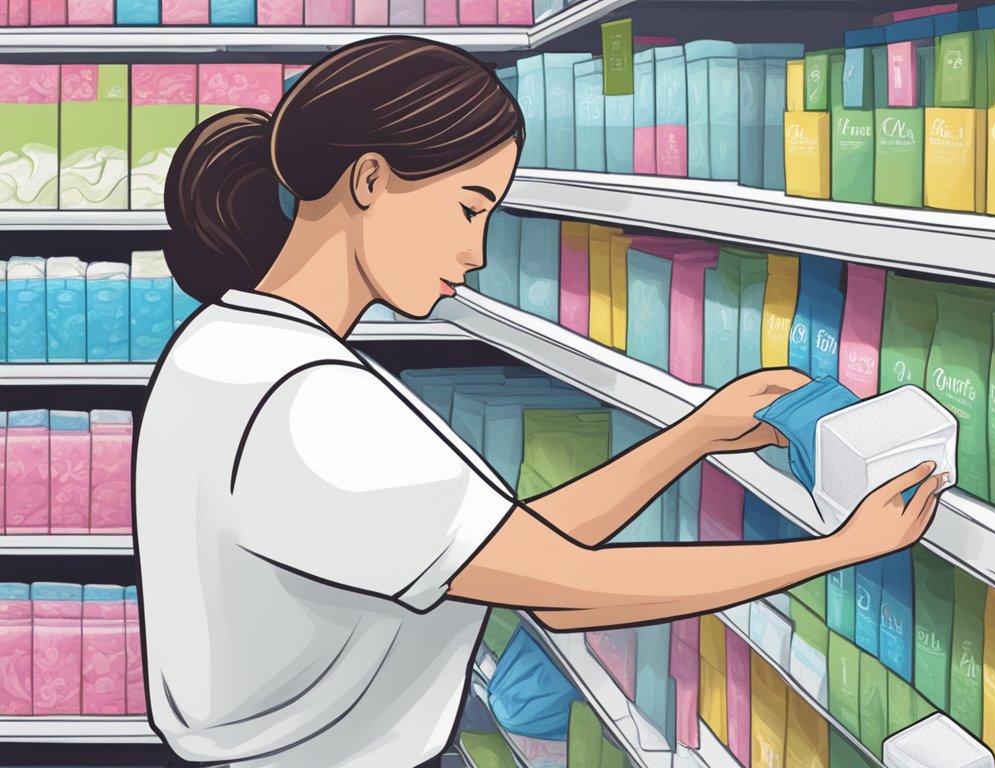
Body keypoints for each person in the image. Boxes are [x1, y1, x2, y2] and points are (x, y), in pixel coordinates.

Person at [133, 36, 946, 768]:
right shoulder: (307, 406)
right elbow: (563, 591)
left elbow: (514, 552)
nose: (478, 252)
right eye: (468, 207)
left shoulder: (228, 349)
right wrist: (836, 548)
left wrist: (692, 435)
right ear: (371, 179)